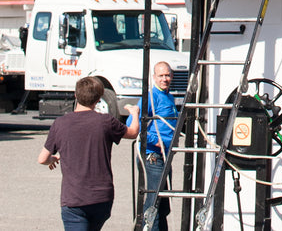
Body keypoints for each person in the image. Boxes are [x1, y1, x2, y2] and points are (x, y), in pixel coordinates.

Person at [38, 76, 140, 231]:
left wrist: (52, 158)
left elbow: (42, 159)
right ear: (98, 99)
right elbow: (133, 132)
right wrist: (134, 113)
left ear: (76, 95)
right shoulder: (106, 121)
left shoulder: (60, 124)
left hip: (75, 199)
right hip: (102, 198)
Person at [127, 61, 179, 231]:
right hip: (153, 157)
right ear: (154, 77)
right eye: (161, 76)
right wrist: (154, 140)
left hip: (164, 157)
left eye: (167, 75)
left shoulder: (169, 96)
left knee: (163, 206)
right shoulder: (151, 97)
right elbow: (132, 123)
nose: (165, 79)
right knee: (153, 204)